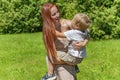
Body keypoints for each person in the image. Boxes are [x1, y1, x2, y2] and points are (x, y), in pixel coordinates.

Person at [41, 3, 89, 80]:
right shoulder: (47, 32)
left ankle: (51, 75)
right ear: (47, 17)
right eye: (54, 14)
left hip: (69, 58)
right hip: (57, 61)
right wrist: (72, 62)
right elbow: (51, 55)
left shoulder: (66, 23)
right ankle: (51, 74)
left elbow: (85, 30)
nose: (58, 15)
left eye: (57, 12)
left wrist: (84, 42)